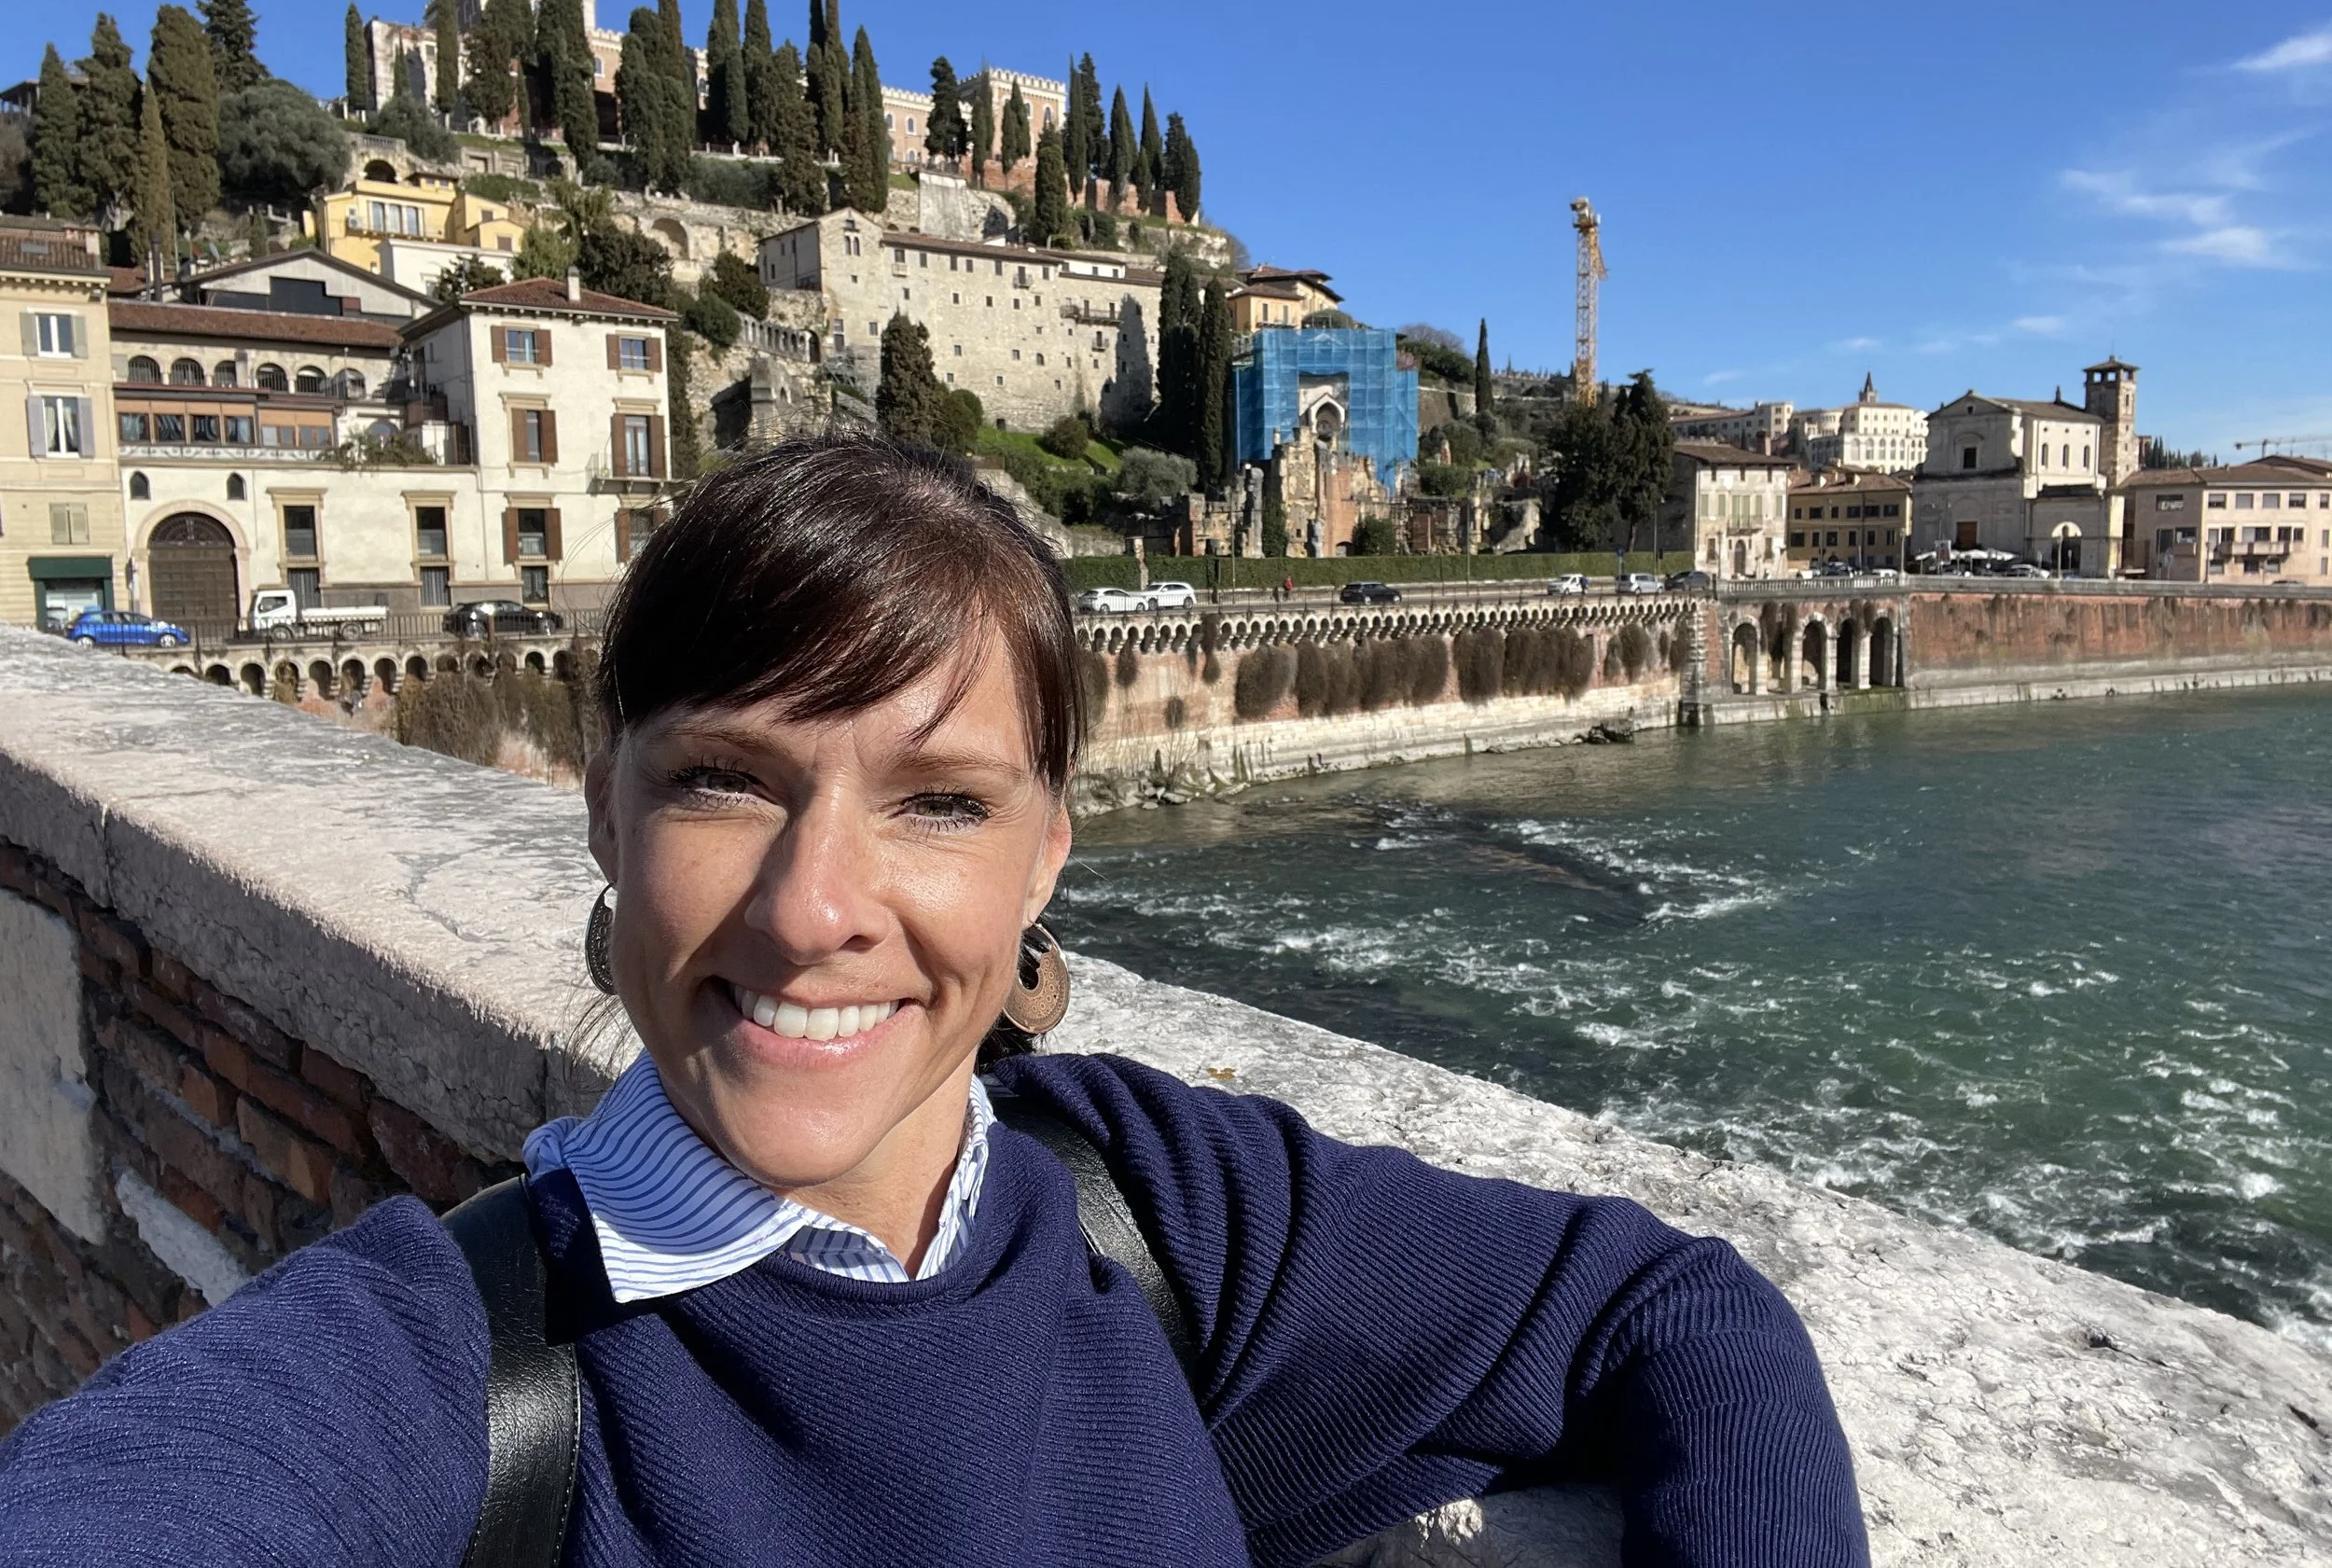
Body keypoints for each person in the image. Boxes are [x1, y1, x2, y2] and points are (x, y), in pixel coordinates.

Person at [0, 438, 1867, 1567]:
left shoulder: (1156, 1210)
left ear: (1049, 851)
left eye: (940, 802)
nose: (817, 909)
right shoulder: (438, 1373)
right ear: (602, 811)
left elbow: (1666, 1304)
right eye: (726, 778)